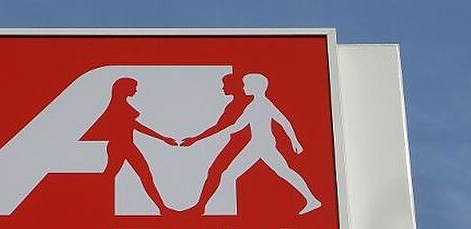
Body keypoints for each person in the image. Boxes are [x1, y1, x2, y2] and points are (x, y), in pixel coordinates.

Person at [188, 73, 321, 216]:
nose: (243, 87)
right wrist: (203, 137)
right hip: (256, 146)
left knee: (284, 172)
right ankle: (204, 208)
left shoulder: (262, 104)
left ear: (255, 87)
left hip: (264, 146)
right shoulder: (254, 105)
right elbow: (238, 125)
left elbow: (283, 121)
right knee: (230, 174)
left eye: (246, 85)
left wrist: (294, 141)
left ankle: (312, 200)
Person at [83, 77, 177, 215]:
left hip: (126, 145)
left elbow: (135, 126)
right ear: (123, 89)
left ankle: (162, 209)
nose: (135, 90)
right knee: (129, 175)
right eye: (133, 87)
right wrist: (162, 138)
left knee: (135, 175)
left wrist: (163, 138)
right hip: (120, 146)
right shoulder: (120, 107)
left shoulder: (121, 106)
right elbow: (137, 127)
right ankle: (89, 203)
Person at [180, 72, 254, 215]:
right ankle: (200, 207)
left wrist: (195, 139)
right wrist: (195, 139)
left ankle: (200, 207)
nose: (223, 88)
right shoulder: (233, 105)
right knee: (215, 171)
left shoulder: (251, 102)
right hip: (237, 142)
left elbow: (221, 127)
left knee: (216, 171)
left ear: (236, 86)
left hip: (249, 143)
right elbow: (220, 126)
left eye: (226, 85)